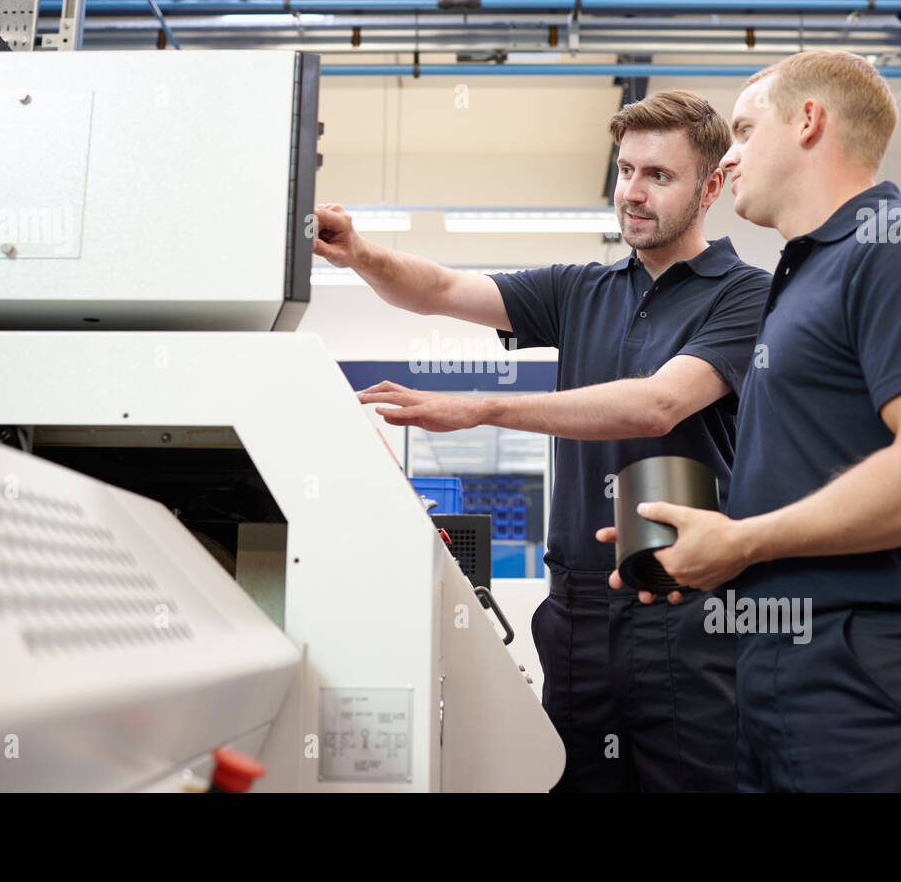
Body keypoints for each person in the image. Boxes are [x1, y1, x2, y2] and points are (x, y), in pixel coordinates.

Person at [313, 90, 770, 791]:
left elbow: (658, 405)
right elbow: (440, 290)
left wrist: (482, 407)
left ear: (711, 187)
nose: (633, 193)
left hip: (684, 608)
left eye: (659, 176)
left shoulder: (744, 294)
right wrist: (361, 254)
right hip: (578, 610)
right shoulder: (578, 289)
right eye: (625, 171)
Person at [601, 50, 901, 791]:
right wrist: (710, 543)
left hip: (877, 684)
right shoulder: (800, 281)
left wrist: (746, 540)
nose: (731, 155)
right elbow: (820, 472)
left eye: (747, 131)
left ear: (810, 122)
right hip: (777, 670)